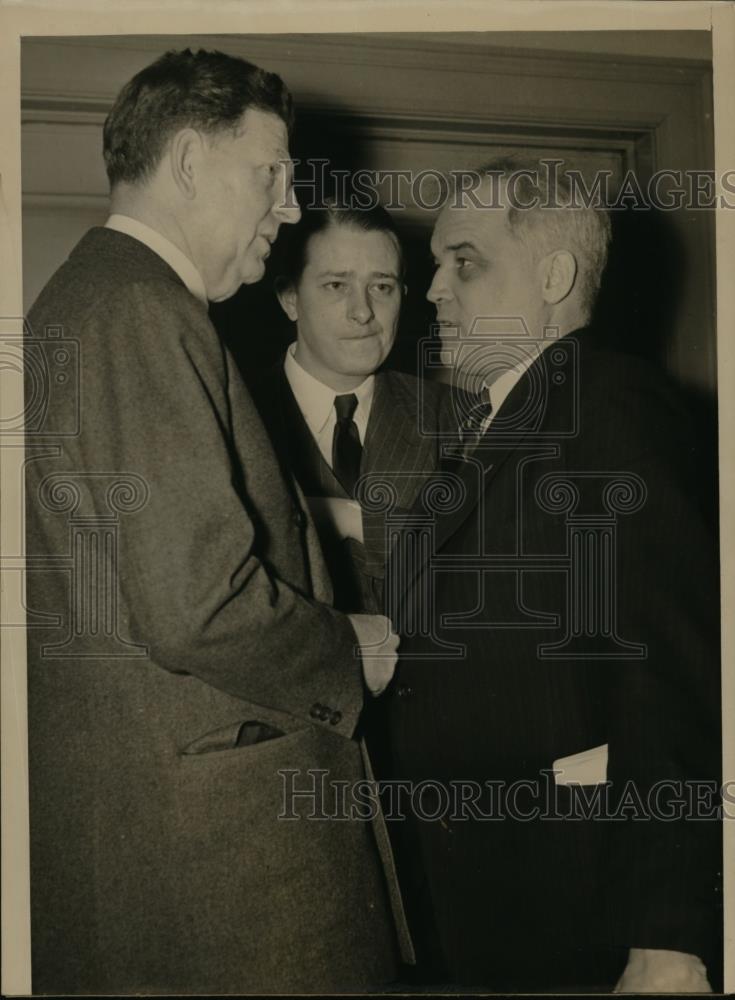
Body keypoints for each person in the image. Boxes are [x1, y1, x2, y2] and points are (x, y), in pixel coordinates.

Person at [24, 48, 404, 995]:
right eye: (271, 175)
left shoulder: (104, 298)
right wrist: (340, 649)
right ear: (189, 161)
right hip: (216, 866)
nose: (287, 207)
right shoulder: (139, 309)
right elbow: (194, 602)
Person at [385, 156, 721, 993]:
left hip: (575, 909)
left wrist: (667, 937)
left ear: (554, 274)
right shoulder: (493, 426)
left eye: (463, 262)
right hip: (489, 902)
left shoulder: (609, 406)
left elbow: (665, 675)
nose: (431, 289)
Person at [254, 202, 454, 616]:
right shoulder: (231, 410)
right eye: (336, 286)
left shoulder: (457, 417)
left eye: (381, 286)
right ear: (289, 298)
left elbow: (492, 560)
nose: (362, 312)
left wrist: (349, 519)